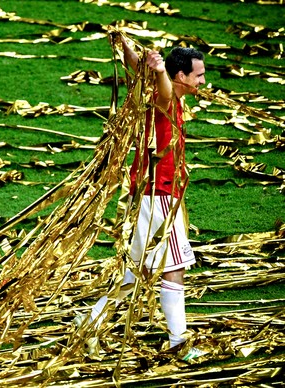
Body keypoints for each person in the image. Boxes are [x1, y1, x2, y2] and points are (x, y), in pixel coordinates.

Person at [75, 36, 207, 360]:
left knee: (136, 274)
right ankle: (179, 342)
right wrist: (159, 68)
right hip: (160, 197)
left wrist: (127, 46)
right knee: (174, 270)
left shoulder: (156, 88)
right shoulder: (165, 96)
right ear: (181, 77)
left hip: (146, 194)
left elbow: (139, 68)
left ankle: (89, 326)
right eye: (199, 75)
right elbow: (161, 88)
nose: (204, 81)